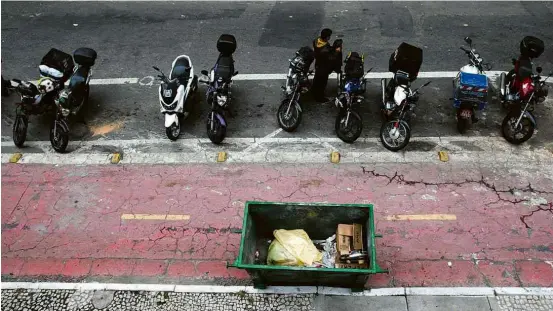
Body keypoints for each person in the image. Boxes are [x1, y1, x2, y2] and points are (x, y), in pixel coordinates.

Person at [311, 28, 341, 102]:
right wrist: (336, 52)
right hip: (323, 67)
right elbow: (331, 58)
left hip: (318, 64)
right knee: (322, 82)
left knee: (316, 79)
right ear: (327, 37)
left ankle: (314, 92)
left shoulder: (316, 40)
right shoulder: (325, 50)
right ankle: (320, 97)